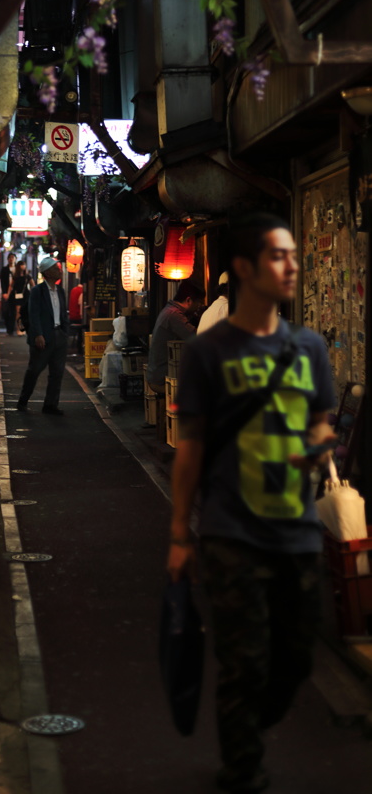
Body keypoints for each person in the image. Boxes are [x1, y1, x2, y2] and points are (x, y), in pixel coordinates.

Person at [168, 212, 337, 794]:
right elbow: (188, 451)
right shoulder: (207, 352)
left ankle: (251, 724)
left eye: (293, 255)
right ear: (243, 269)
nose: (291, 265)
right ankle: (243, 768)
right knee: (244, 659)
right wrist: (179, 536)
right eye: (277, 256)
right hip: (230, 532)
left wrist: (316, 449)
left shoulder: (309, 347)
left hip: (298, 531)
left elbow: (321, 423)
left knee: (295, 654)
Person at [16, 256, 69, 415]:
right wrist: (38, 334)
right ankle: (23, 400)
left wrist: (65, 331)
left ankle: (51, 405)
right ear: (47, 272)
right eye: (55, 268)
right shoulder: (37, 291)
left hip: (59, 334)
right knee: (35, 370)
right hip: (43, 336)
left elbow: (63, 312)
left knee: (57, 372)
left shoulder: (60, 290)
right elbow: (34, 314)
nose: (59, 270)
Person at [146, 279, 204, 394]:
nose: (200, 306)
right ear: (189, 300)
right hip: (162, 378)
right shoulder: (174, 315)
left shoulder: (169, 310)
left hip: (156, 374)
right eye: (199, 302)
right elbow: (194, 336)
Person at [12, 262, 32, 334]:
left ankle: (25, 327)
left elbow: (33, 284)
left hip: (25, 294)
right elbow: (11, 285)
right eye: (21, 265)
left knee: (25, 311)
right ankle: (18, 328)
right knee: (18, 312)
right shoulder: (15, 276)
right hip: (18, 295)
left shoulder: (27, 276)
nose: (23, 266)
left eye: (24, 265)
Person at [0, 253, 16, 335]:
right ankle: (8, 327)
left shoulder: (17, 269)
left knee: (14, 311)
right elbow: (2, 282)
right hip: (6, 292)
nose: (11, 259)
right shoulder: (4, 269)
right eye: (10, 258)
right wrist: (4, 292)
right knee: (6, 311)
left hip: (16, 293)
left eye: (13, 258)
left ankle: (12, 329)